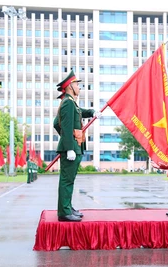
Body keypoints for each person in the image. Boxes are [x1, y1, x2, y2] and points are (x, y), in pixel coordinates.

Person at [53, 70, 101, 222]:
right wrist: (69, 147)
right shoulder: (67, 102)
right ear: (70, 86)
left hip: (75, 145)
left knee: (70, 180)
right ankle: (64, 212)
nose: (79, 88)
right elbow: (65, 127)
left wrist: (92, 112)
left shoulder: (71, 102)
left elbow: (77, 114)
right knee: (67, 180)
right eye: (77, 85)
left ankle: (67, 207)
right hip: (72, 147)